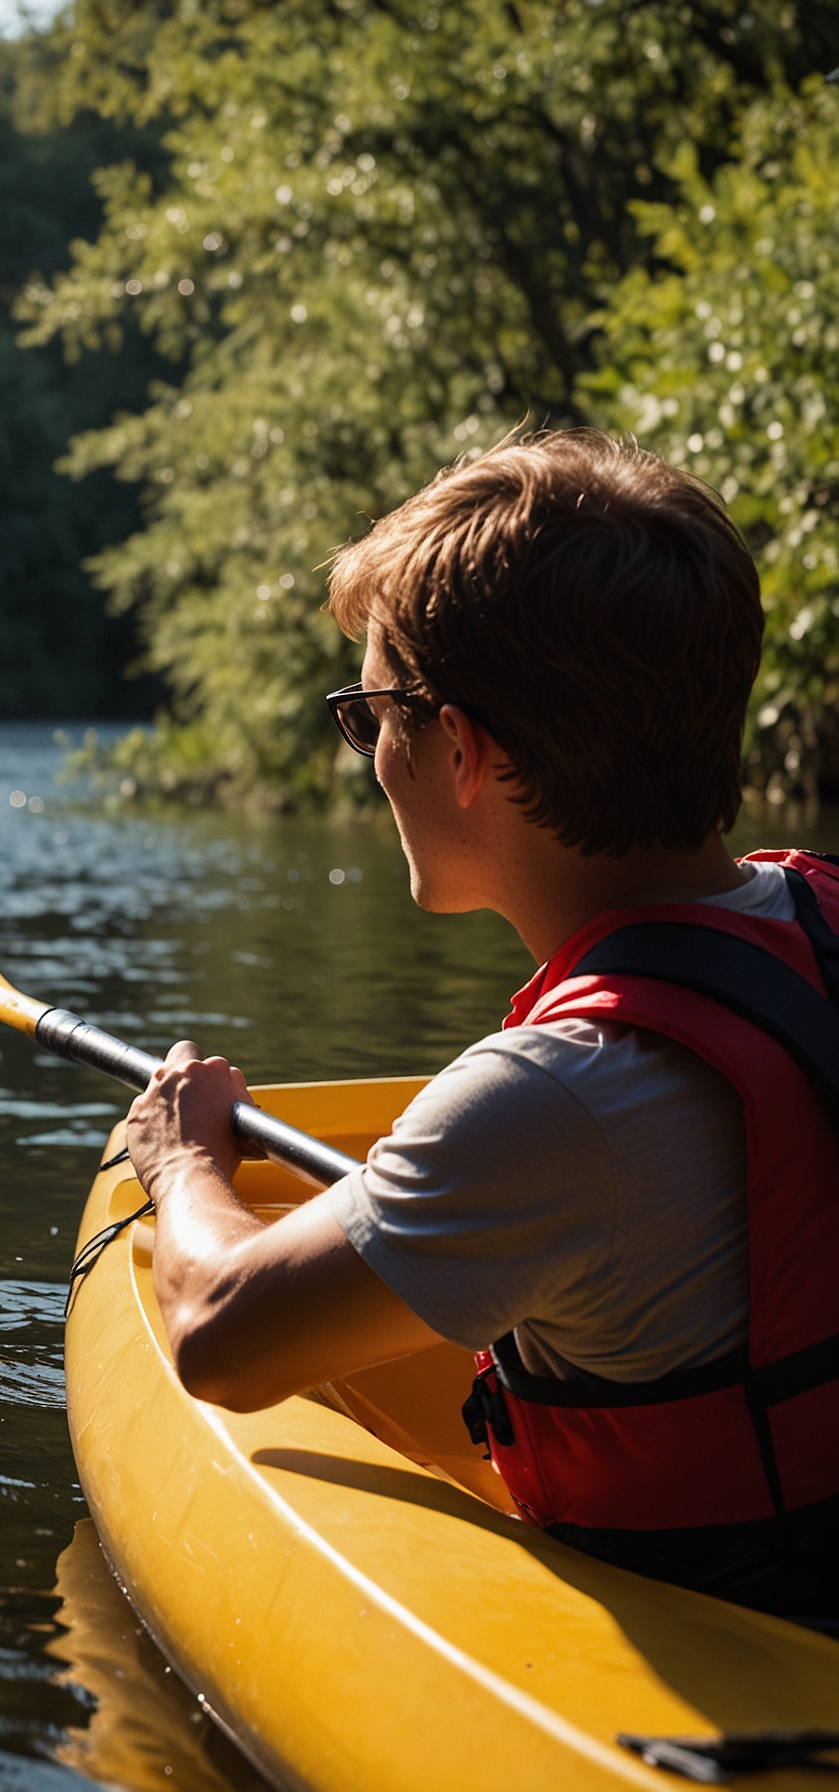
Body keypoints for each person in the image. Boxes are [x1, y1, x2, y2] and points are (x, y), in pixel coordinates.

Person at [124, 429, 839, 1627]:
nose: (368, 759)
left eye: (369, 714)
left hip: (753, 1641)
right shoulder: (821, 908)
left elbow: (216, 1337)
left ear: (462, 749)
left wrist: (183, 1160)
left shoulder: (555, 1099)